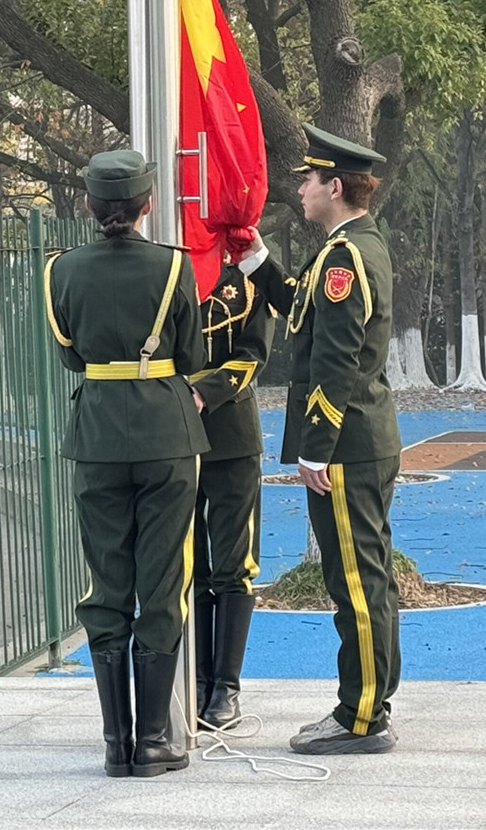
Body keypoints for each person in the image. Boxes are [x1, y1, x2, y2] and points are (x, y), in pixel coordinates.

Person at [44, 148, 208, 778]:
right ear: (147, 205)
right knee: (162, 582)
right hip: (167, 435)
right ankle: (155, 742)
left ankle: (116, 743)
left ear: (89, 205)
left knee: (108, 583)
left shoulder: (60, 270)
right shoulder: (174, 266)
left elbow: (70, 356)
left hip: (97, 438)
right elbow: (191, 355)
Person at [263, 124, 402, 755]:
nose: (300, 188)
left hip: (346, 445)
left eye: (309, 179)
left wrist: (315, 446)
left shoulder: (345, 257)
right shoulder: (352, 245)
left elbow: (338, 359)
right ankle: (366, 704)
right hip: (361, 439)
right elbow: (303, 306)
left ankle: (363, 716)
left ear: (335, 187)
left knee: (356, 584)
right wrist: (254, 259)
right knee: (364, 577)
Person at [188, 244, 274, 728]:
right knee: (189, 562)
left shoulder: (246, 276)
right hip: (175, 434)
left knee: (233, 564)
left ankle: (226, 686)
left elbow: (254, 353)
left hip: (232, 435)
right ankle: (198, 678)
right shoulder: (170, 268)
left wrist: (205, 391)